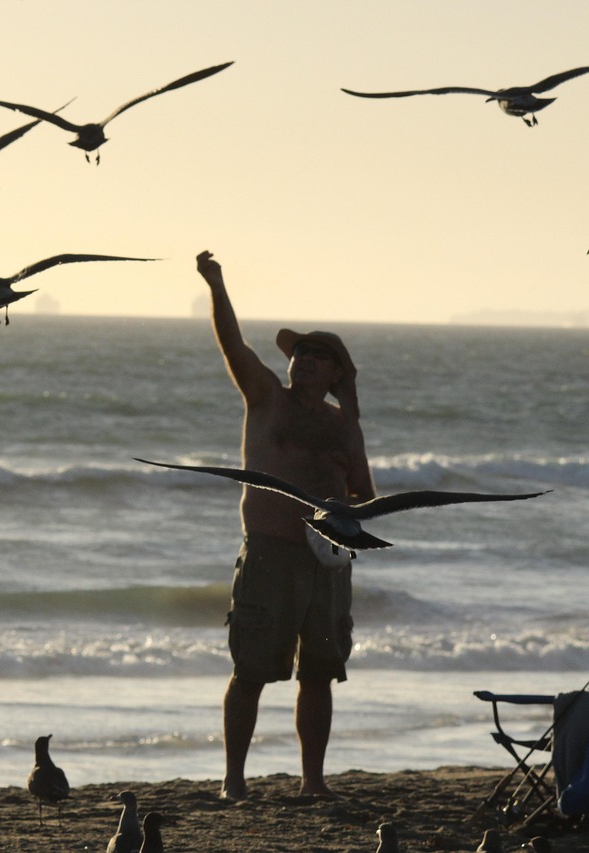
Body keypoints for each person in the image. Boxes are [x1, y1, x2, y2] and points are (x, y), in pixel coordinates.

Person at [195, 250, 375, 800]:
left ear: (336, 373)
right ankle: (233, 782)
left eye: (318, 356)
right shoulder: (266, 398)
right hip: (269, 553)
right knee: (250, 669)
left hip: (326, 562)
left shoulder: (345, 428)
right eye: (300, 352)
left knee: (320, 671)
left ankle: (312, 783)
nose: (303, 360)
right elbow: (234, 345)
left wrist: (352, 416)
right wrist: (217, 285)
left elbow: (365, 497)